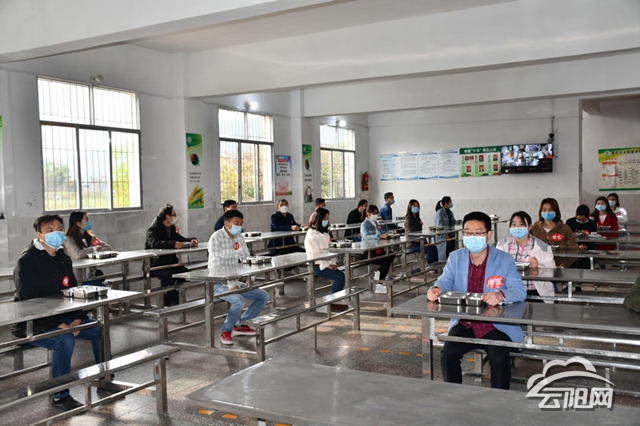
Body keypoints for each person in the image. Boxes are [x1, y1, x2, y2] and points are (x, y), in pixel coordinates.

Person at [427, 211, 526, 390]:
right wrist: (437, 288)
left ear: (489, 235)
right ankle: (453, 395)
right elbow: (445, 280)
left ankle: (500, 398)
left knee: (499, 357)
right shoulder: (456, 257)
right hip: (466, 323)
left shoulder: (504, 260)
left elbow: (519, 291)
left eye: (478, 233)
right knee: (448, 353)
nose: (472, 237)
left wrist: (500, 295)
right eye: (468, 232)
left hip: (495, 324)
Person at [13, 215, 101, 412]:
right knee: (64, 339)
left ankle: (105, 378)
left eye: (59, 229)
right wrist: (58, 324)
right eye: (50, 230)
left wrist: (77, 318)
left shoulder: (62, 257)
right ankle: (60, 396)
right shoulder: (27, 261)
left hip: (61, 317)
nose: (56, 233)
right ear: (39, 235)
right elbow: (28, 303)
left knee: (96, 328)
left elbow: (73, 290)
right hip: (32, 322)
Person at [208, 210, 269, 345]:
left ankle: (242, 325)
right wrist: (231, 285)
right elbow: (217, 266)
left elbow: (246, 258)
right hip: (217, 282)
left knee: (263, 296)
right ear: (227, 223)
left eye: (241, 223)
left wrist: (250, 279)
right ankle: (226, 331)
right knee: (238, 301)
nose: (239, 226)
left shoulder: (239, 237)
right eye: (236, 223)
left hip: (234, 280)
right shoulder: (216, 238)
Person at [145, 204, 198, 306]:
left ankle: (175, 299)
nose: (175, 217)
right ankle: (167, 302)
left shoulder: (171, 228)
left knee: (184, 273)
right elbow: (154, 243)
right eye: (174, 215)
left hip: (170, 262)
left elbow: (179, 238)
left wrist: (191, 239)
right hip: (156, 264)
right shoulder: (153, 229)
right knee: (168, 277)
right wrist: (173, 244)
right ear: (167, 217)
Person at [496, 211, 555, 297]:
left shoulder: (542, 247)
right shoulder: (502, 246)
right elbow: (495, 270)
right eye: (514, 225)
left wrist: (538, 267)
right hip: (510, 291)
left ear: (529, 227)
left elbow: (551, 272)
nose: (517, 227)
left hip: (534, 291)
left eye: (521, 225)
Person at [63, 210, 112, 286]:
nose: (89, 222)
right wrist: (94, 249)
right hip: (78, 278)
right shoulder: (68, 240)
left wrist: (93, 251)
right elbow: (77, 254)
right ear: (78, 223)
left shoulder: (91, 237)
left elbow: (108, 248)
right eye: (86, 220)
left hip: (91, 277)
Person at [304, 208, 345, 294]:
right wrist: (327, 265)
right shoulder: (311, 235)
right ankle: (334, 299)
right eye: (325, 219)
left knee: (341, 276)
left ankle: (336, 298)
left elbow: (329, 250)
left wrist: (333, 263)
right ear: (319, 219)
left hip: (327, 263)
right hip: (316, 266)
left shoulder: (325, 234)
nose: (326, 221)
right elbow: (315, 255)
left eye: (327, 219)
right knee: (340, 277)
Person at [529, 197, 578, 269]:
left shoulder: (564, 229)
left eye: (550, 210)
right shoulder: (534, 228)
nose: (547, 212)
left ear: (556, 211)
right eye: (544, 210)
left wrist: (563, 265)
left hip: (560, 269)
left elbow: (574, 250)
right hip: (539, 268)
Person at [361, 204, 395, 293]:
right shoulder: (364, 225)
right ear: (368, 213)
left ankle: (379, 275)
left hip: (377, 250)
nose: (376, 215)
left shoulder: (376, 223)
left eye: (377, 213)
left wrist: (389, 233)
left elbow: (382, 232)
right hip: (368, 252)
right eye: (374, 213)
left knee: (391, 254)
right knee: (386, 259)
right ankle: (379, 281)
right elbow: (367, 237)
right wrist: (379, 235)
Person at [404, 199, 438, 264]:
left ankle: (435, 265)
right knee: (429, 249)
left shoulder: (418, 218)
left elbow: (420, 232)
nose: (416, 207)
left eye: (417, 206)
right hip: (412, 244)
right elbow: (411, 234)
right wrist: (422, 241)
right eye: (414, 206)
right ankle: (431, 266)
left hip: (420, 242)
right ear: (410, 207)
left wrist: (425, 241)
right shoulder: (408, 219)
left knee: (434, 248)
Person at [566, 204, 598, 269]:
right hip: (573, 247)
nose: (581, 221)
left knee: (585, 260)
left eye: (583, 219)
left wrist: (586, 246)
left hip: (588, 248)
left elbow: (593, 238)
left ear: (588, 217)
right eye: (579, 219)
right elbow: (567, 238)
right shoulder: (570, 222)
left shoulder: (592, 224)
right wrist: (577, 246)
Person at [434, 196, 456, 261]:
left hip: (451, 235)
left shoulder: (450, 212)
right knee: (444, 256)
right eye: (450, 202)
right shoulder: (440, 212)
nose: (451, 203)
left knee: (451, 254)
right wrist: (445, 235)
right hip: (443, 237)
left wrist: (457, 222)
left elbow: (452, 222)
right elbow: (439, 226)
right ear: (446, 203)